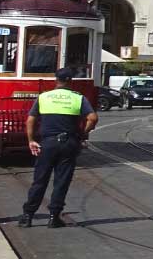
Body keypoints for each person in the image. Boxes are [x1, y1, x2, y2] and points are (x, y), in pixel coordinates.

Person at [20, 68, 99, 228]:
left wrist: (31, 140)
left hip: (47, 143)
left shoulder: (44, 97)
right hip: (68, 143)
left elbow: (30, 120)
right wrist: (83, 134)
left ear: (56, 80)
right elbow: (93, 118)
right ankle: (54, 217)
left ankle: (28, 216)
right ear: (71, 81)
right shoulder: (78, 98)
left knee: (40, 180)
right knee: (61, 181)